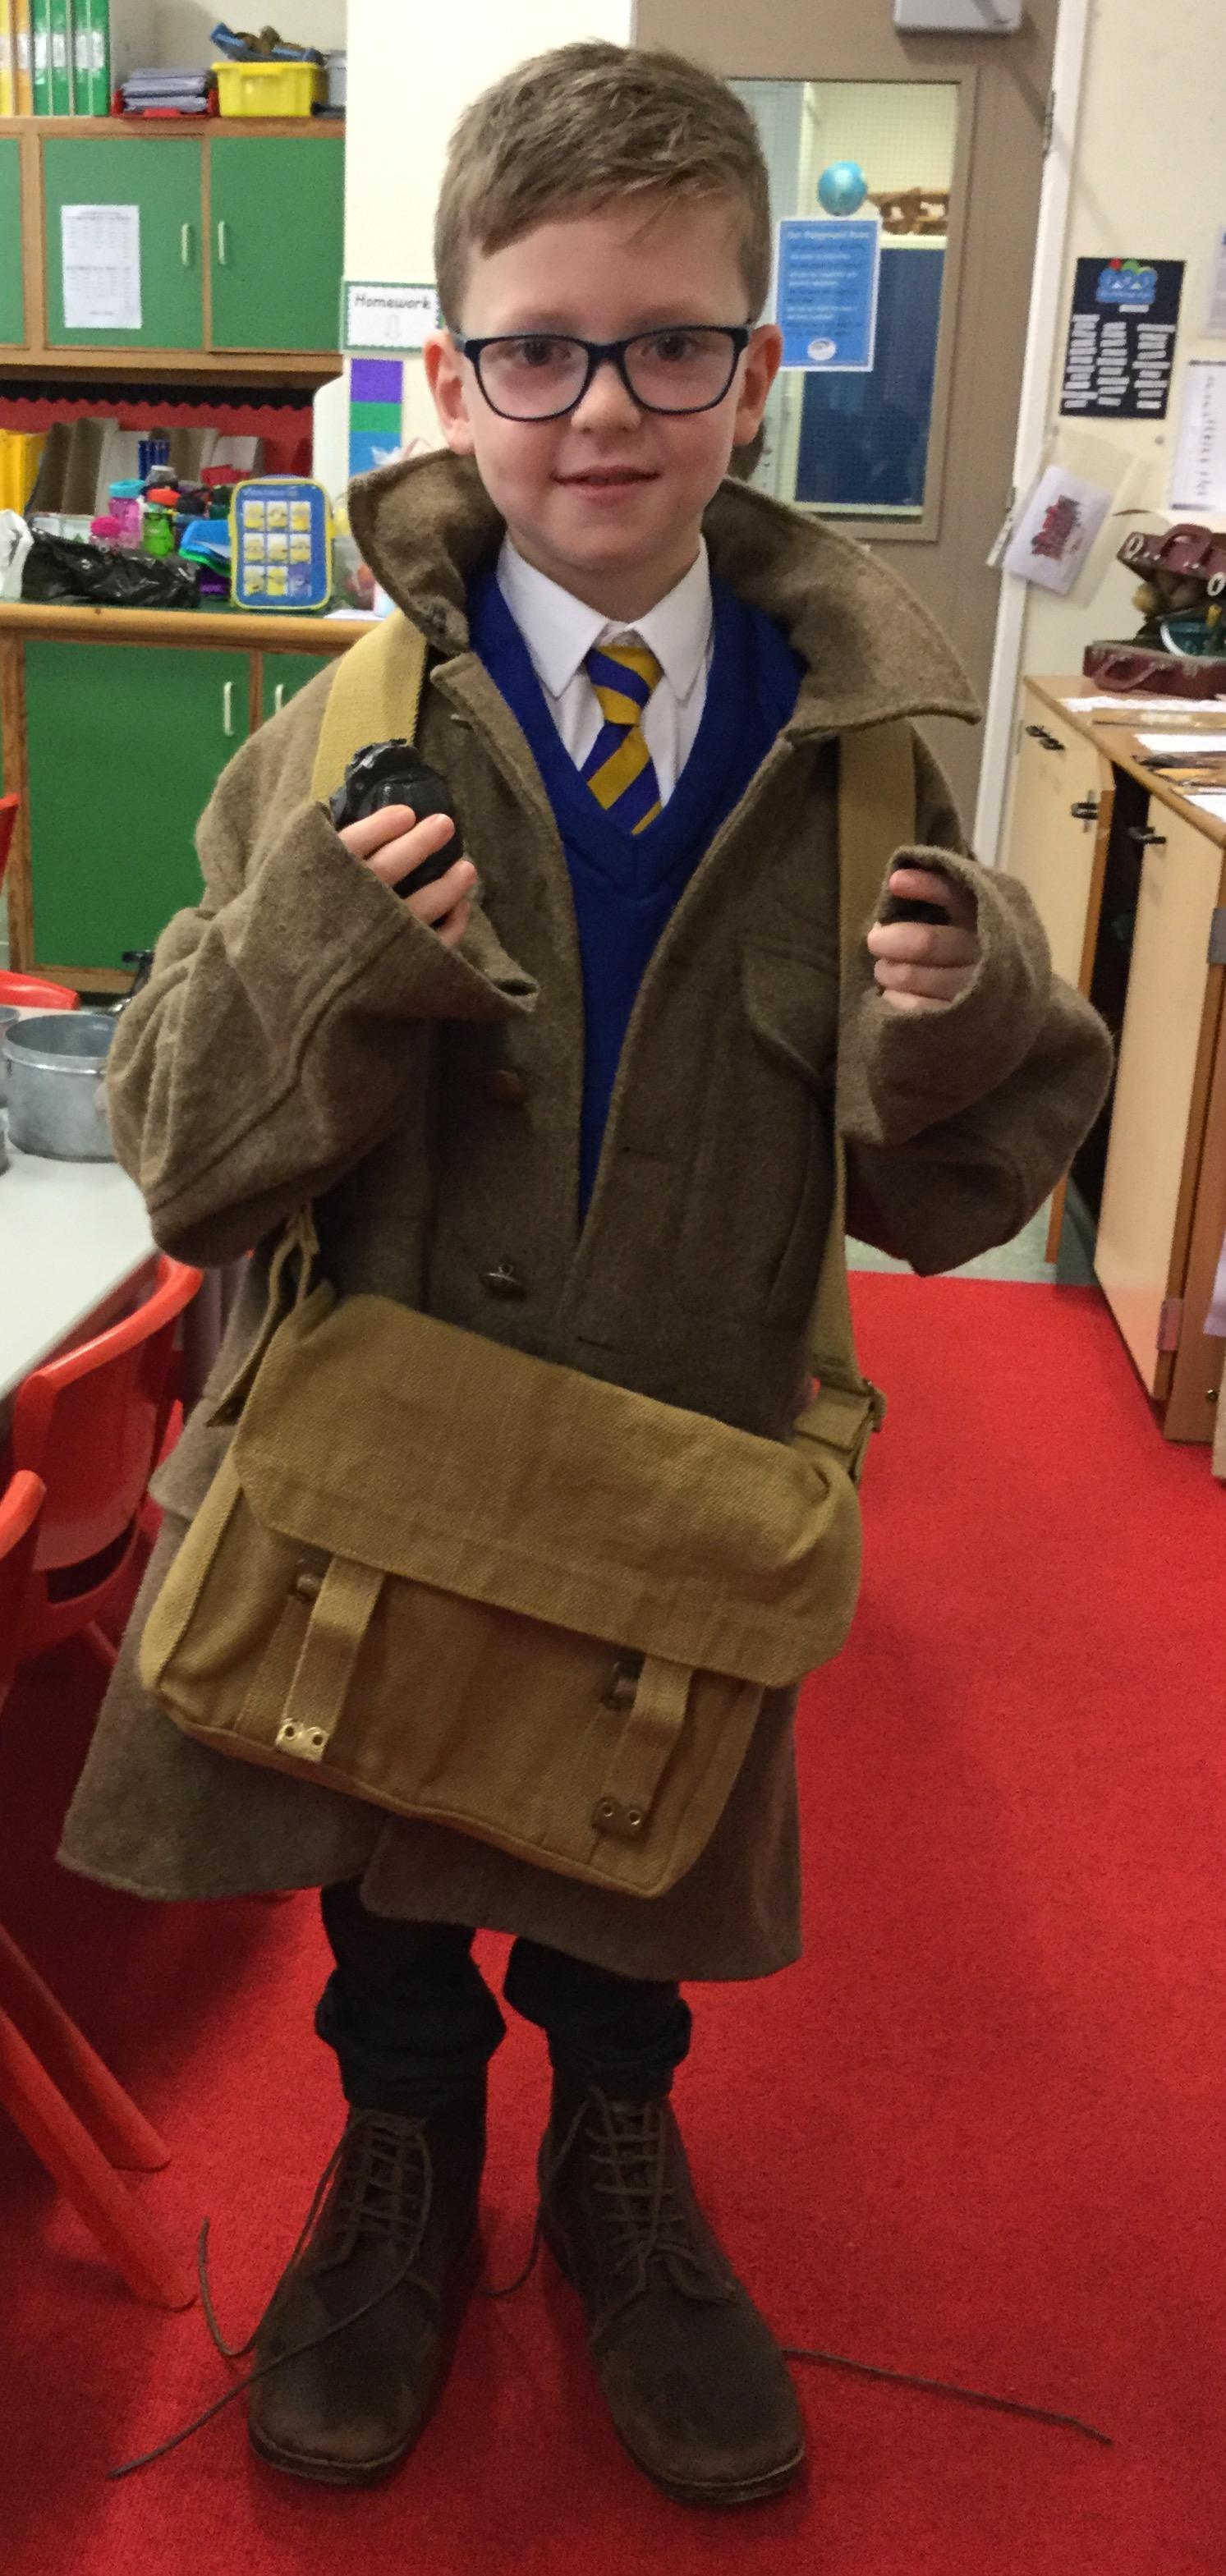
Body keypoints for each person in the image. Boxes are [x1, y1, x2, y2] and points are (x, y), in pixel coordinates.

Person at [61, 40, 1111, 2509]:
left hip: (672, 1481)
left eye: (667, 344)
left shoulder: (867, 761)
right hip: (385, 1491)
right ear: (455, 377)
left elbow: (946, 1208)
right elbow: (180, 1163)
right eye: (538, 349)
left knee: (632, 1874)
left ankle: (623, 2156)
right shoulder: (329, 745)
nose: (603, 408)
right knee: (391, 1885)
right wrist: (321, 955)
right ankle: (405, 2155)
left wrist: (966, 1025)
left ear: (761, 368)